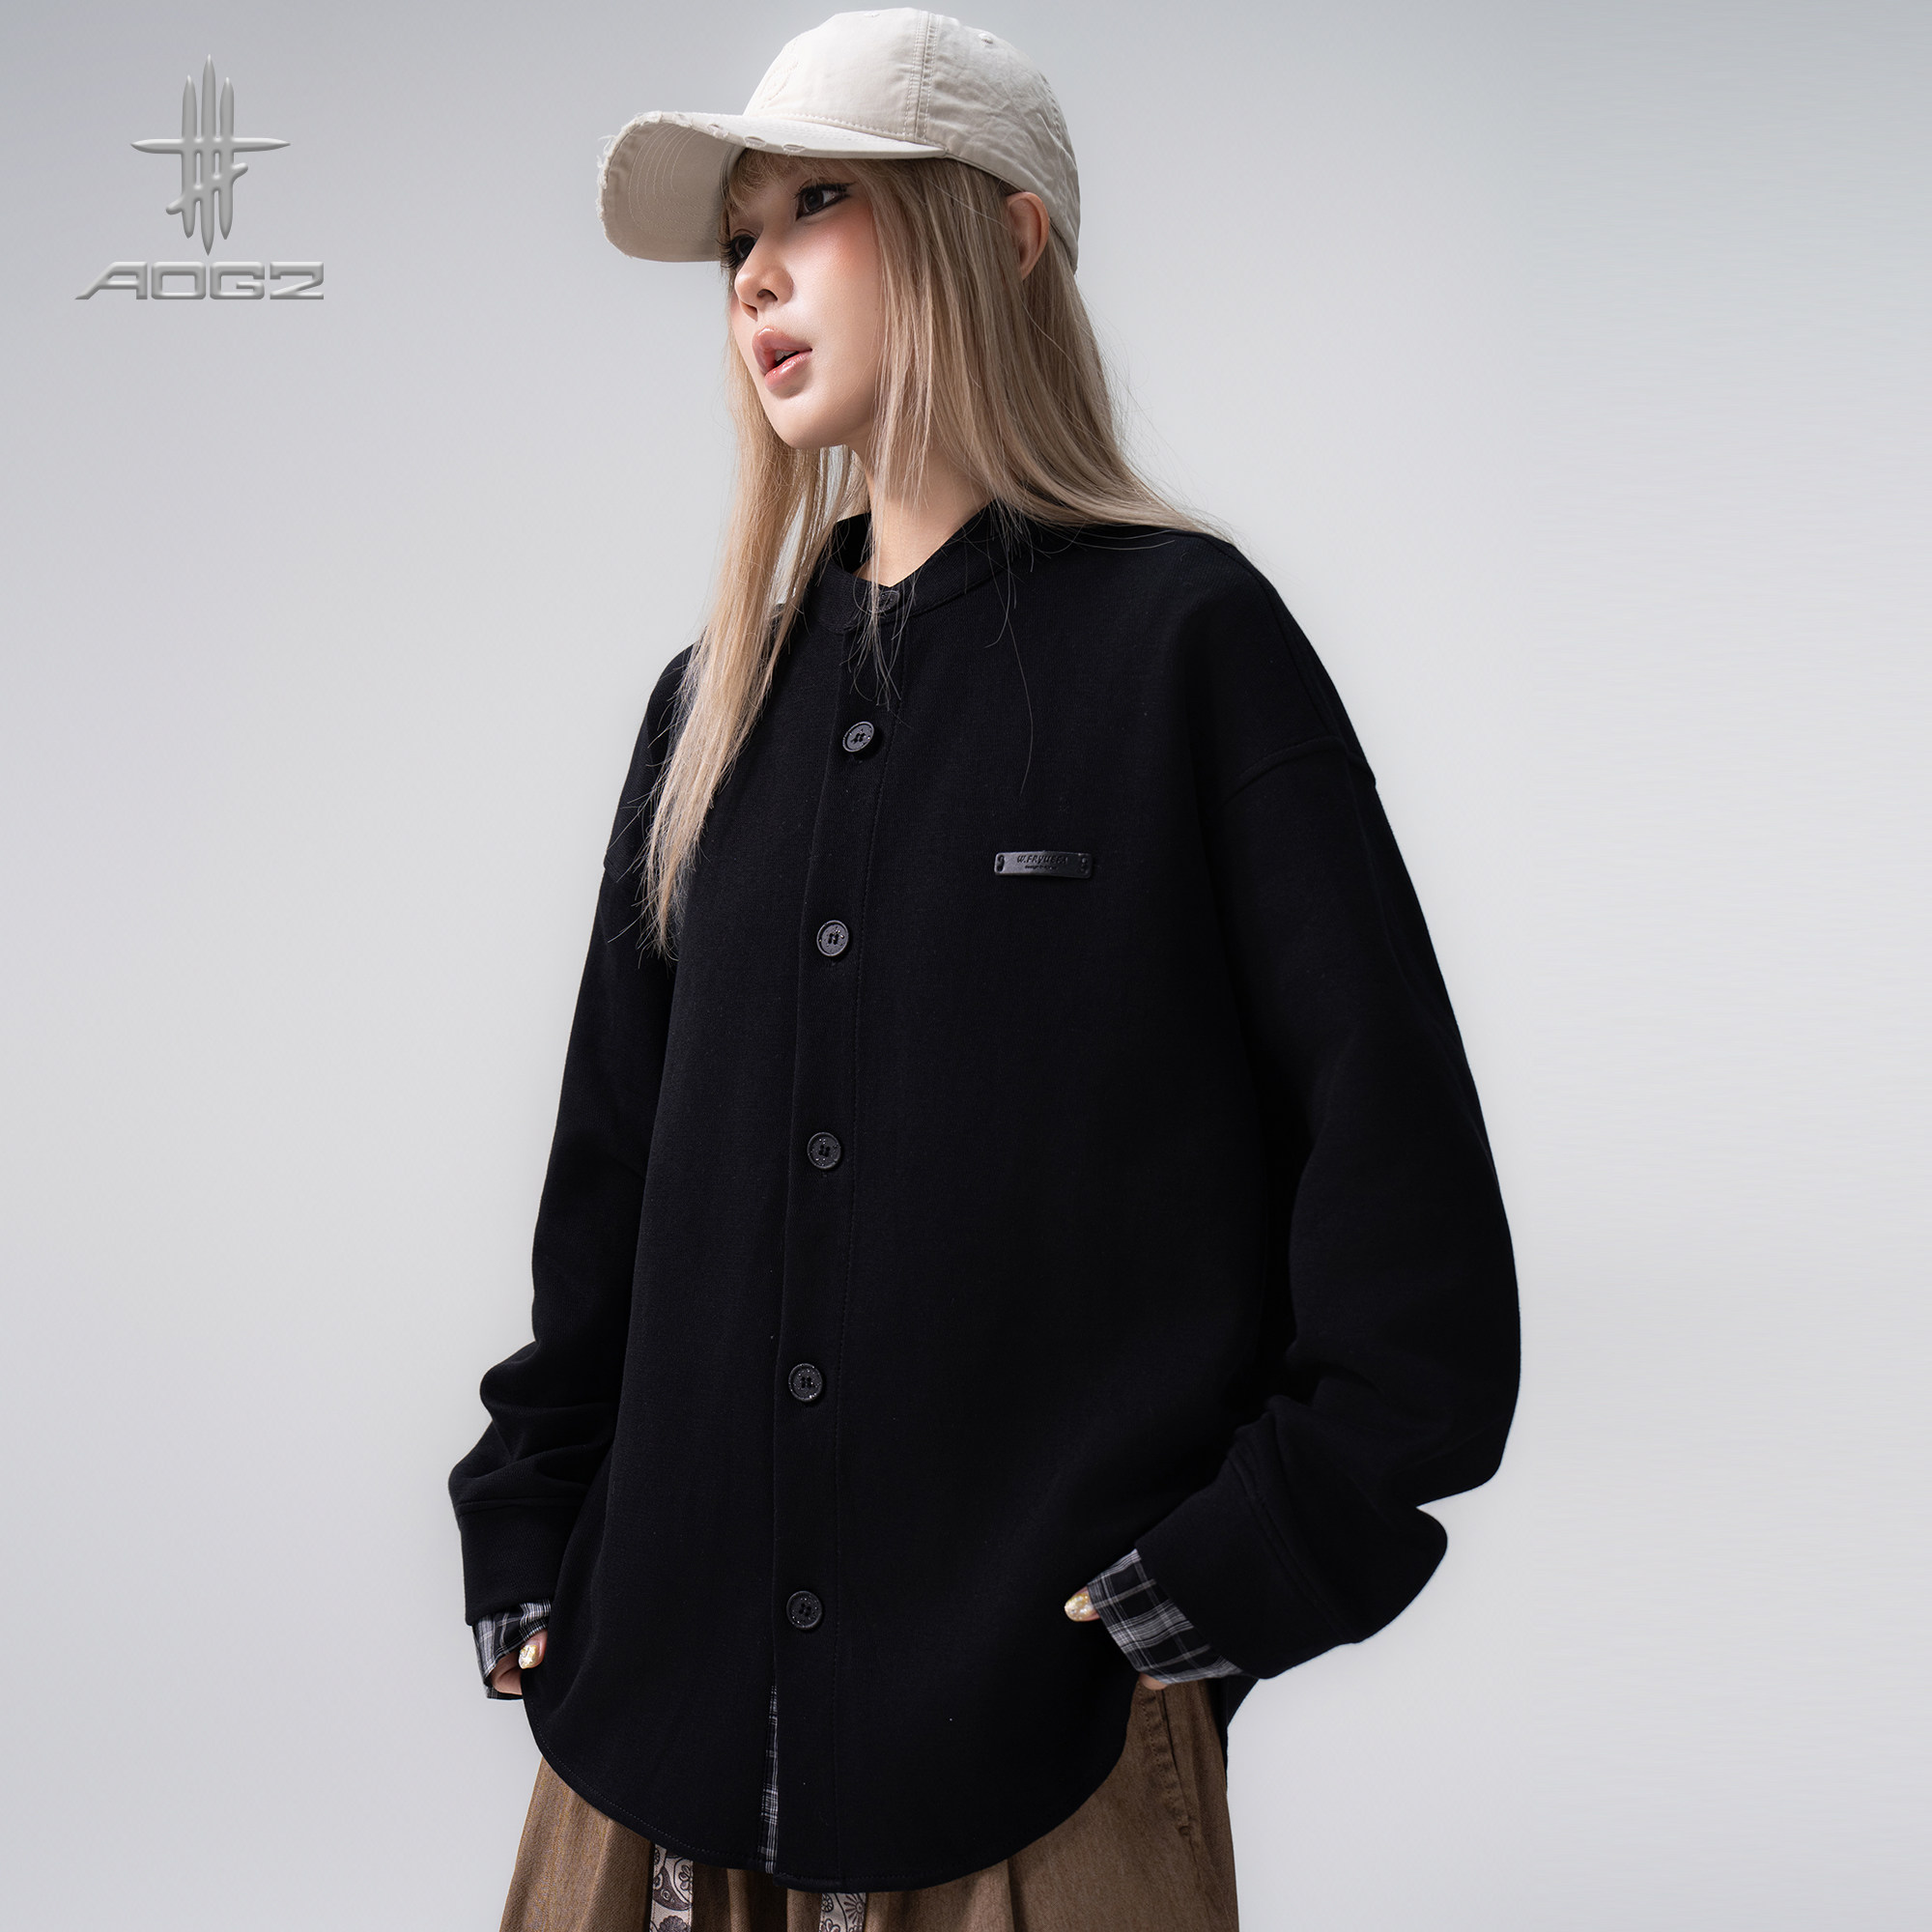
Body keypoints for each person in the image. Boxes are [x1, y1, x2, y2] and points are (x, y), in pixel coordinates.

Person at [449, 12, 1520, 1929]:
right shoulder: (711, 708)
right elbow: (608, 1189)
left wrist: (1258, 1557)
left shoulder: (1191, 650)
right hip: (651, 1742)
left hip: (1037, 1755)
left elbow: (1407, 1213)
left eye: (816, 203)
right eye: (738, 237)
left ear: (1006, 233)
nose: (754, 273)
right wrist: (529, 1513)